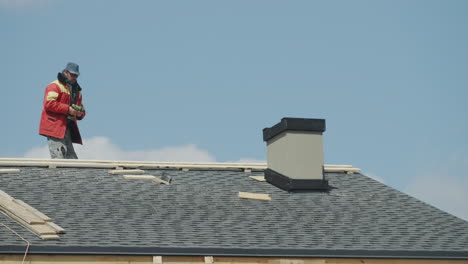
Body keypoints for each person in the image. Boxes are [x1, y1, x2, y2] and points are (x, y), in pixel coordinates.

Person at [39, 62, 86, 159]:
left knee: (71, 161)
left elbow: (81, 108)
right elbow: (49, 103)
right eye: (72, 75)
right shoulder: (54, 86)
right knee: (59, 158)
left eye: (76, 75)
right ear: (65, 72)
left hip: (66, 127)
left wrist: (80, 113)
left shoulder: (77, 90)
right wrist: (68, 109)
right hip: (55, 127)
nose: (74, 77)